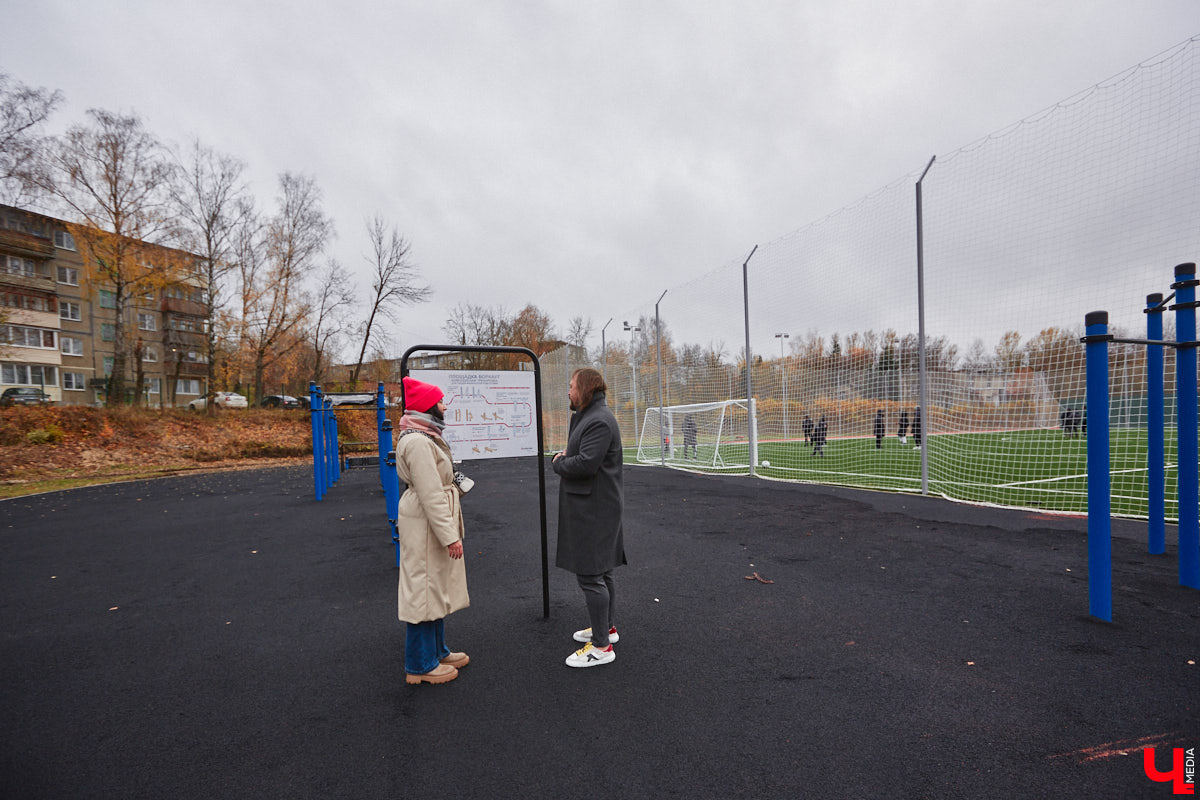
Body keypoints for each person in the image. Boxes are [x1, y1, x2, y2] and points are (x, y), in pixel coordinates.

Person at [395, 376, 470, 686]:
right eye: (440, 401)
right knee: (423, 588)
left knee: (434, 585)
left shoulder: (425, 436)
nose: (444, 406)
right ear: (428, 405)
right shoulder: (417, 442)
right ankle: (420, 664)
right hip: (426, 523)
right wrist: (450, 535)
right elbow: (429, 494)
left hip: (428, 522)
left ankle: (437, 651)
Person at [552, 367, 626, 668]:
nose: (568, 391)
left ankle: (601, 647)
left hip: (595, 511)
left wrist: (559, 462)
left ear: (584, 389)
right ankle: (605, 629)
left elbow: (584, 465)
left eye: (571, 386)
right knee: (602, 570)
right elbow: (584, 456)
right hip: (595, 508)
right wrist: (568, 455)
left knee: (591, 575)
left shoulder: (599, 421)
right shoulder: (590, 417)